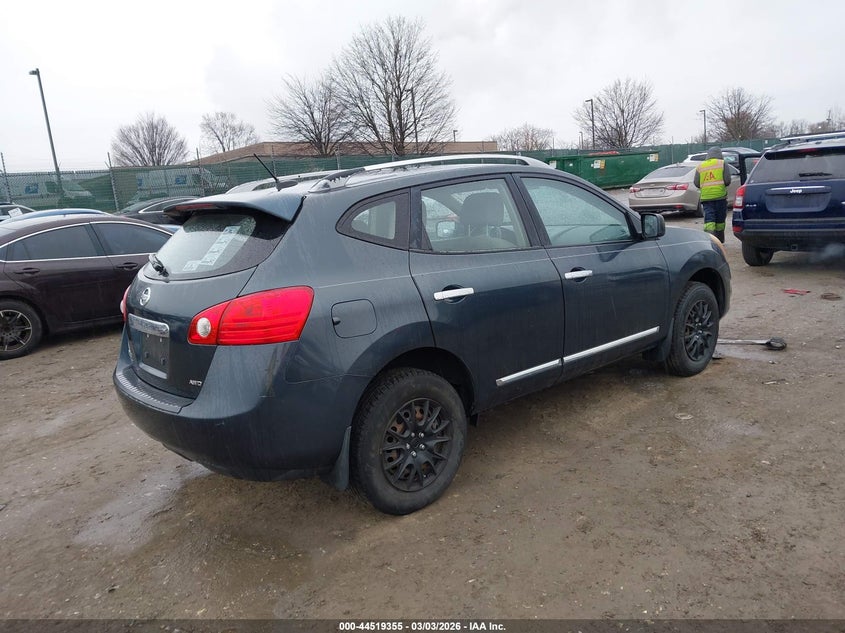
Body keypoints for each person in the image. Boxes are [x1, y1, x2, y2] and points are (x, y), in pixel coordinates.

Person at [693, 146, 732, 243]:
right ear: (720, 154)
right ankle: (720, 240)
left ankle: (710, 240)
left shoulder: (700, 166)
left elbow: (696, 183)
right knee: (720, 219)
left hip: (706, 197)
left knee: (709, 219)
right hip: (720, 196)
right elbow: (727, 181)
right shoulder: (722, 164)